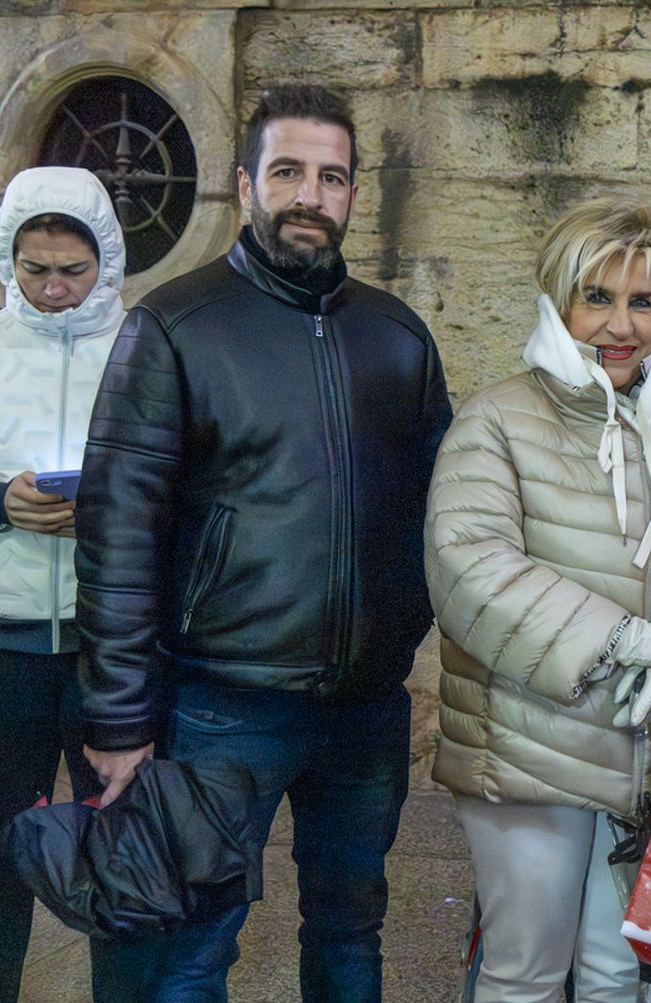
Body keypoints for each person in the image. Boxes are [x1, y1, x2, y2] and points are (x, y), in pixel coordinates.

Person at [74, 85, 452, 1000]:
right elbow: (118, 531)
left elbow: (443, 509)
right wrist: (118, 719)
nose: (309, 196)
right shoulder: (175, 325)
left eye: (332, 177)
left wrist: (402, 633)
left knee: (351, 933)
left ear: (353, 193)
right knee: (192, 952)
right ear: (246, 185)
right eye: (288, 172)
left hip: (364, 708)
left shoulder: (398, 337)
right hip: (222, 704)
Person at [425, 198, 651, 1003]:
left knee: (623, 975)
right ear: (559, 300)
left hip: (650, 756)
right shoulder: (498, 421)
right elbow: (469, 567)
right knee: (527, 970)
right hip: (530, 750)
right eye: (597, 297)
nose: (621, 325)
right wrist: (630, 640)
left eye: (643, 301)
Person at [0, 167, 126, 1002]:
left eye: (72, 270)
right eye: (34, 268)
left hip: (111, 652)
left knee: (124, 859)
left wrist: (112, 512)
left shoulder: (146, 348)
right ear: (9, 257)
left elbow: (195, 486)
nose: (52, 288)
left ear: (107, 260)